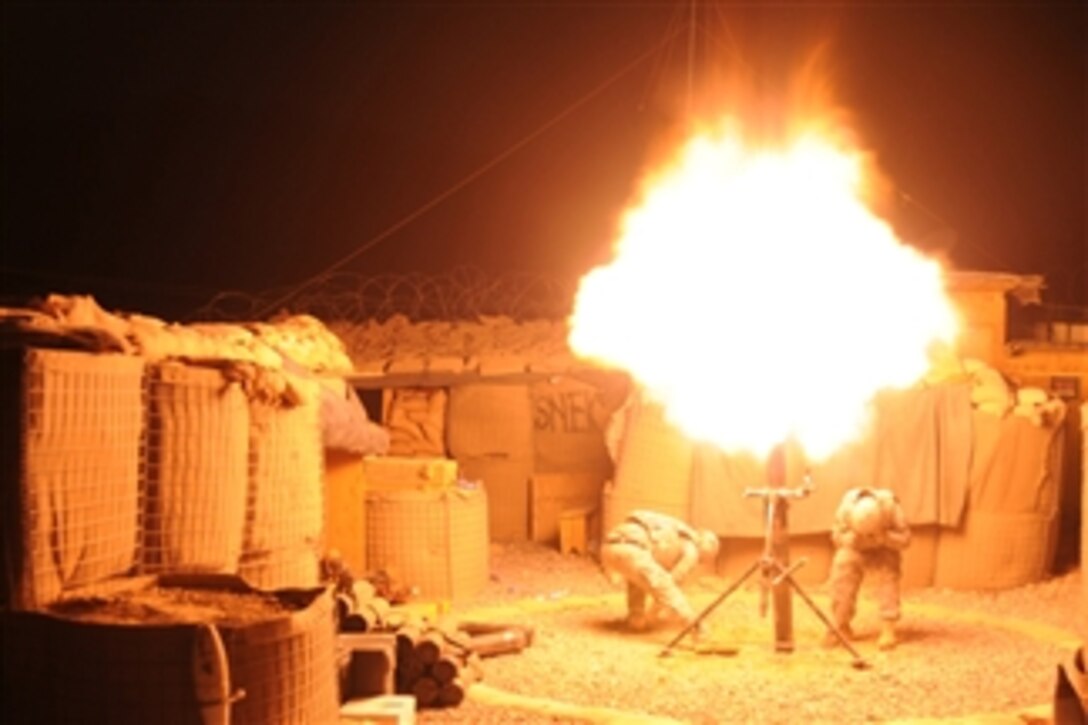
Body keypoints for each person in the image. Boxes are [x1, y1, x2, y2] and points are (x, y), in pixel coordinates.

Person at [599, 509, 719, 636]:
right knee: (662, 585)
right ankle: (696, 628)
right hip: (634, 550)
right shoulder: (693, 548)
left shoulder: (677, 529)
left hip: (608, 548)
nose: (697, 563)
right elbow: (670, 584)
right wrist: (656, 612)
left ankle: (636, 619)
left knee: (638, 578)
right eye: (701, 560)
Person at [825, 487, 911, 650]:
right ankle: (841, 625)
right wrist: (846, 539)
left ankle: (888, 629)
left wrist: (885, 538)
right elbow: (836, 534)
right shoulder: (846, 507)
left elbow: (906, 539)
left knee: (889, 576)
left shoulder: (891, 507)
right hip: (855, 547)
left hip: (885, 547)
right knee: (842, 571)